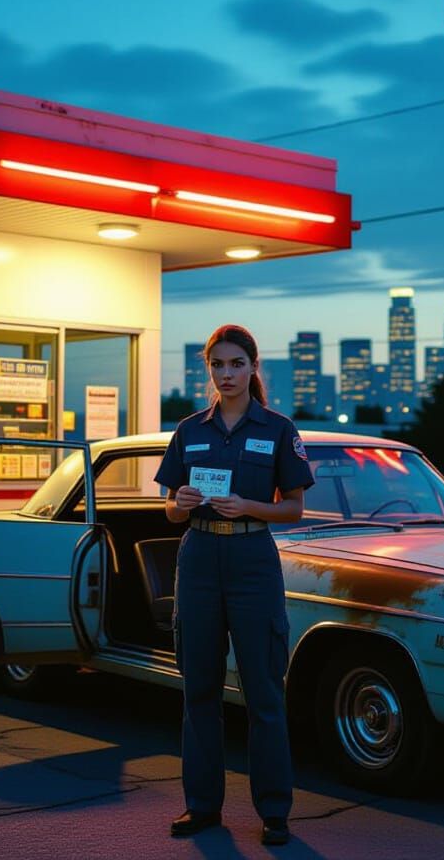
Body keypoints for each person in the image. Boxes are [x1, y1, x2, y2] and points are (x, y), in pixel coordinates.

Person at [154, 324, 314, 847]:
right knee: (199, 689)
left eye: (236, 364)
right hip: (199, 559)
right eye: (217, 365)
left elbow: (294, 508)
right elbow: (170, 509)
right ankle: (202, 807)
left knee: (263, 690)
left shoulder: (277, 428)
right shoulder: (189, 430)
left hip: (252, 560)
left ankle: (274, 811)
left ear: (252, 367)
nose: (226, 374)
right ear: (209, 370)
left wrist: (249, 506)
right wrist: (179, 503)